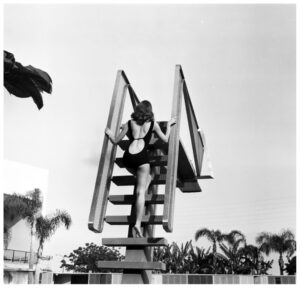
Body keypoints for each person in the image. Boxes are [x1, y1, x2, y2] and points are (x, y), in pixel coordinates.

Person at [105, 100, 176, 237]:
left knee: (146, 178)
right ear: (150, 111)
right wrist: (168, 125)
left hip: (128, 159)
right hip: (142, 160)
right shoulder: (153, 125)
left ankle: (144, 180)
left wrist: (109, 133)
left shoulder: (129, 123)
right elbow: (166, 139)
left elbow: (115, 140)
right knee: (140, 192)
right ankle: (137, 223)